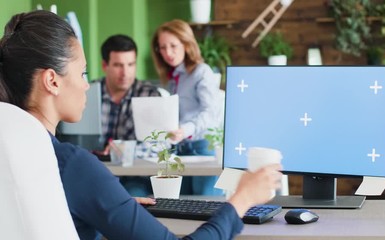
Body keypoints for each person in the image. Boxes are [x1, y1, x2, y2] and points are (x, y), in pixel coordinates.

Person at [0, 10, 282, 240]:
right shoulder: (72, 165)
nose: (87, 84)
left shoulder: (16, 152)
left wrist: (111, 204)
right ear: (52, 81)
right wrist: (243, 199)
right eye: (82, 72)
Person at [151, 19, 223, 195]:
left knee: (206, 204)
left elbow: (210, 112)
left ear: (186, 44)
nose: (168, 52)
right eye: (162, 47)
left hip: (203, 147)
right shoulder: (175, 77)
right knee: (181, 203)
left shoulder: (201, 72)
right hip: (181, 149)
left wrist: (185, 129)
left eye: (173, 46)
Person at [94, 34, 160, 197]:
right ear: (104, 65)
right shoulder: (88, 93)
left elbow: (159, 145)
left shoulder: (149, 95)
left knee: (129, 198)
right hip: (95, 172)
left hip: (135, 176)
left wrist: (124, 149)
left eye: (130, 64)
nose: (125, 72)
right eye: (118, 65)